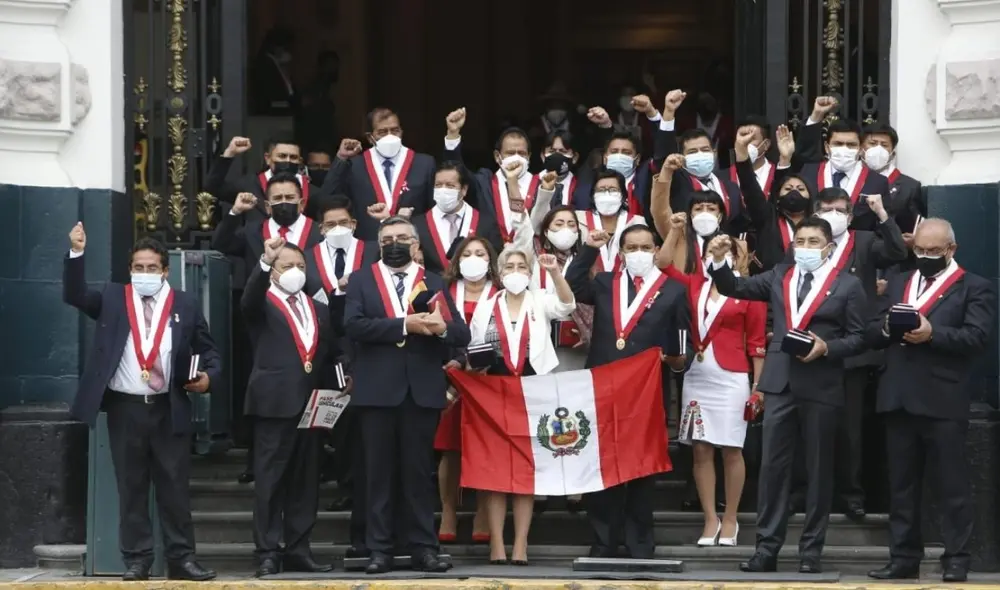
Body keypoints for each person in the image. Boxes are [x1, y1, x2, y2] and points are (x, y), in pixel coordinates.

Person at [704, 217, 867, 573]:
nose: (805, 247)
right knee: (773, 468)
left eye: (813, 241)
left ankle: (811, 551)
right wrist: (718, 261)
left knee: (818, 469)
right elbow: (736, 287)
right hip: (780, 382)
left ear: (829, 247)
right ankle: (767, 549)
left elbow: (860, 338)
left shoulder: (848, 284)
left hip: (822, 382)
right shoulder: (781, 275)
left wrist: (828, 347)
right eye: (800, 241)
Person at [63, 225, 219, 582]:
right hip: (126, 408)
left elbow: (209, 350)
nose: (144, 273)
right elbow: (74, 294)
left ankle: (182, 559)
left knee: (174, 487)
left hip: (168, 407)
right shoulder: (113, 298)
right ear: (129, 269)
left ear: (165, 271)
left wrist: (209, 377)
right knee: (131, 487)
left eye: (151, 267)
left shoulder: (185, 303)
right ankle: (138, 560)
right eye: (138, 267)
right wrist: (76, 253)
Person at [866, 219, 995, 583]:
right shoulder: (897, 283)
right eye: (919, 250)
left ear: (951, 250)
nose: (924, 257)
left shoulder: (974, 287)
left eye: (933, 252)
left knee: (951, 485)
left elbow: (977, 338)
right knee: (902, 485)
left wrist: (933, 334)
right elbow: (871, 331)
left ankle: (957, 558)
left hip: (943, 399)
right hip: (897, 396)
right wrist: (888, 329)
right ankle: (904, 557)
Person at [343, 216, 470, 574]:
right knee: (378, 474)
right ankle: (379, 549)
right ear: (378, 244)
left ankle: (424, 547)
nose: (394, 243)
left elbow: (460, 333)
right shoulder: (361, 280)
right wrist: (404, 325)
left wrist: (441, 328)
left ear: (416, 244)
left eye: (402, 238)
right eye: (387, 239)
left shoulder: (431, 281)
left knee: (418, 474)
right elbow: (352, 325)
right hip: (377, 392)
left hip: (421, 391)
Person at [566, 224, 690, 559]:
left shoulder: (674, 290)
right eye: (631, 247)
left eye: (645, 247)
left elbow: (682, 345)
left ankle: (639, 542)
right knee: (602, 464)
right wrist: (590, 249)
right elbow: (574, 285)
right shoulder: (606, 284)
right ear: (621, 253)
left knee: (642, 467)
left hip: (647, 394)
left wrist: (678, 361)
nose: (638, 253)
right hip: (603, 389)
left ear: (655, 250)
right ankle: (604, 541)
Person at [653, 203, 767, 547]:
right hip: (697, 375)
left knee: (732, 449)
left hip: (733, 376)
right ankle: (709, 518)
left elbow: (758, 345)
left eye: (727, 249)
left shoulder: (750, 291)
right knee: (701, 449)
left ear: (736, 255)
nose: (720, 253)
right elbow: (662, 264)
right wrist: (674, 229)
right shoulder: (693, 286)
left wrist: (758, 389)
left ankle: (731, 517)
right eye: (714, 250)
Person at [792, 185, 907, 519]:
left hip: (853, 349)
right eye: (827, 208)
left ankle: (851, 494)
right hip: (811, 347)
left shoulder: (865, 240)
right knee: (805, 427)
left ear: (851, 214)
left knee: (850, 429)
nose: (834, 214)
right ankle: (802, 491)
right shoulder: (806, 245)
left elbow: (899, 252)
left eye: (841, 209)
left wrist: (883, 215)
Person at [467, 246, 576, 564]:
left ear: (529, 273)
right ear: (499, 274)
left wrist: (555, 272)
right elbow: (475, 351)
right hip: (494, 394)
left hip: (534, 393)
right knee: (497, 471)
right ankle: (497, 544)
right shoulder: (486, 307)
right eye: (509, 266)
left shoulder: (540, 299)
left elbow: (567, 305)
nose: (515, 271)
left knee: (526, 471)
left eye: (521, 266)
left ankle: (521, 544)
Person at [242, 237, 339, 577]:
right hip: (274, 404)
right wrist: (264, 263)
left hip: (311, 405)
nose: (294, 272)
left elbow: (328, 353)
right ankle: (268, 551)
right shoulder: (262, 302)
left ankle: (299, 548)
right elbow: (248, 301)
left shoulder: (320, 309)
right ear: (273, 272)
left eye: (300, 266)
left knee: (305, 481)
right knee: (270, 481)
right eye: (286, 266)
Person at [434, 236, 500, 545]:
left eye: (480, 253)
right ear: (457, 260)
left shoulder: (502, 293)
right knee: (451, 448)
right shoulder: (443, 294)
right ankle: (448, 510)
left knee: (488, 449)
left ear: (491, 260)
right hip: (451, 379)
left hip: (490, 380)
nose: (474, 258)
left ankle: (483, 513)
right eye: (468, 254)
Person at [790, 97, 890, 231]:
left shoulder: (877, 182)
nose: (844, 148)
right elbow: (804, 152)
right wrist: (816, 115)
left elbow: (880, 226)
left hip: (856, 248)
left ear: (860, 149)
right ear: (827, 147)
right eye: (838, 144)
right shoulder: (809, 171)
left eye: (851, 145)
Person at [212, 173, 324, 284]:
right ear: (267, 206)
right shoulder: (252, 231)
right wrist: (236, 211)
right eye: (277, 198)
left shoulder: (319, 233)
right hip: (261, 299)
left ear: (302, 204)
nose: (283, 202)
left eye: (289, 197)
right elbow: (221, 244)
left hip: (307, 300)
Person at [728, 125, 812, 271]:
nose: (794, 193)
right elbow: (750, 188)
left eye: (800, 189)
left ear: (810, 196)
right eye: (788, 189)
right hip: (769, 286)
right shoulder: (767, 218)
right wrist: (741, 153)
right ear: (778, 196)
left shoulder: (817, 222)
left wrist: (787, 158)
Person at [661, 90, 746, 233]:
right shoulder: (677, 183)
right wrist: (669, 113)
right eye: (692, 152)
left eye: (705, 149)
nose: (700, 154)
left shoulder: (731, 187)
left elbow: (739, 225)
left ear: (714, 152)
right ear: (681, 157)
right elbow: (662, 156)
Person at [205, 137, 321, 225]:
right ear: (268, 158)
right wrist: (230, 153)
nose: (288, 161)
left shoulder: (312, 192)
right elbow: (213, 187)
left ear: (300, 161)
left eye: (293, 157)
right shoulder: (249, 184)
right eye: (282, 156)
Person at [413, 161, 503, 273]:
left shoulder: (486, 223)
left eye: (450, 186)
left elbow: (496, 262)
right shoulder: (417, 224)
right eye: (438, 185)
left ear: (464, 190)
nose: (443, 190)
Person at [575, 169, 647, 275]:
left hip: (624, 284)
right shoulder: (578, 219)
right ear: (593, 195)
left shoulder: (637, 221)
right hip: (586, 283)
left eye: (613, 190)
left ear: (623, 196)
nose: (607, 194)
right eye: (601, 190)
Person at [725, 115, 778, 197]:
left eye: (751, 139)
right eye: (741, 137)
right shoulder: (723, 178)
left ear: (766, 144)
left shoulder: (777, 175)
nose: (744, 142)